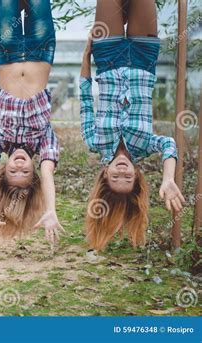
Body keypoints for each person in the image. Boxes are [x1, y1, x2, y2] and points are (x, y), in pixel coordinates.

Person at [80, 0, 185, 251]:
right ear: (137, 176)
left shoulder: (94, 141)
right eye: (127, 178)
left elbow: (85, 97)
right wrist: (168, 178)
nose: (122, 171)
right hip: (143, 56)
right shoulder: (146, 145)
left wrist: (86, 56)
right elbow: (169, 145)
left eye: (116, 177)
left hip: (107, 56)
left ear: (104, 174)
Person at [0, 0, 62, 245]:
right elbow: (48, 174)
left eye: (13, 172)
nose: (18, 166)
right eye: (25, 172)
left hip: (6, 52)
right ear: (33, 170)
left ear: (4, 170)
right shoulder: (44, 142)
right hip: (41, 48)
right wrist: (50, 209)